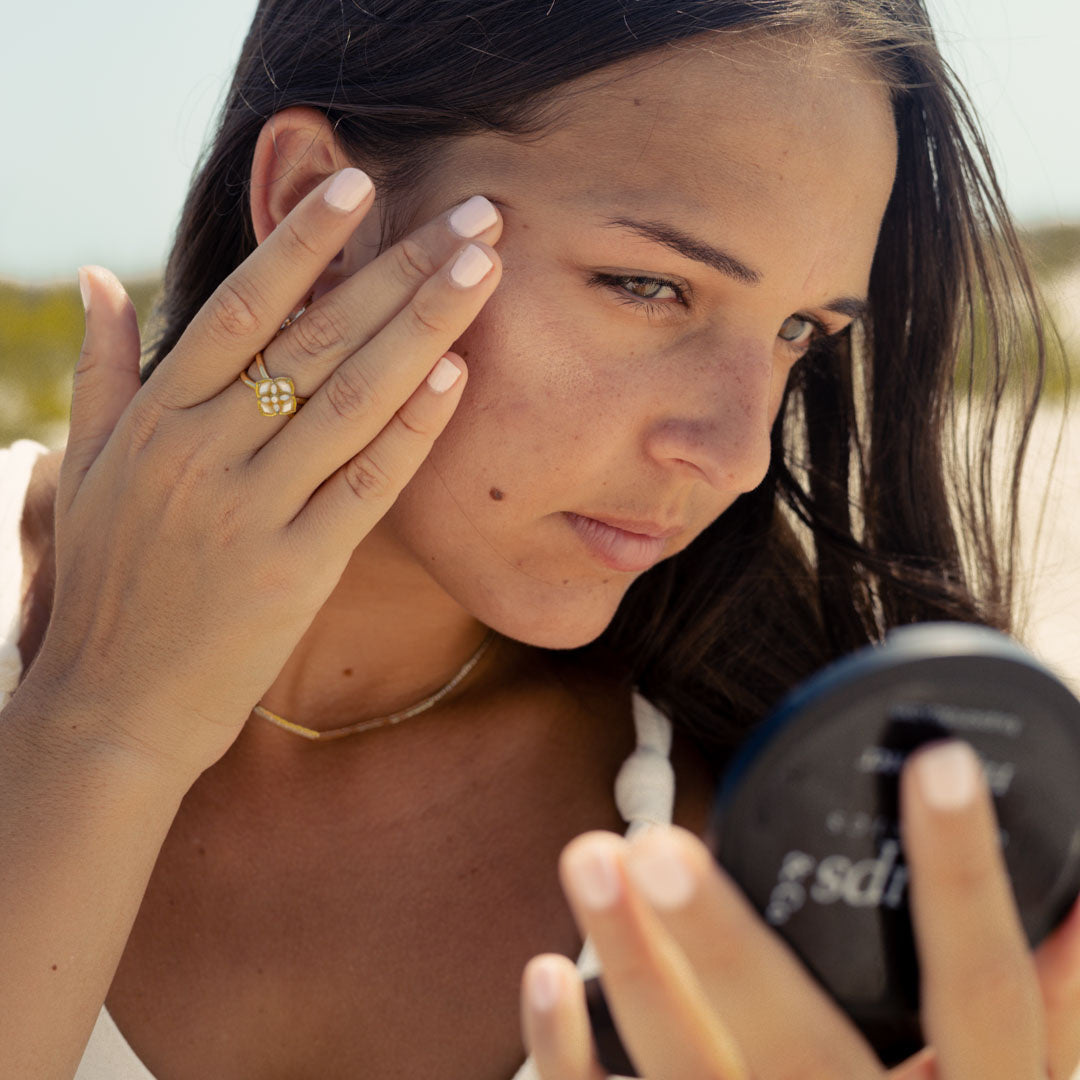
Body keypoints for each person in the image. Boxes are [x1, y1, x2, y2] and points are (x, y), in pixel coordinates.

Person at [1, 1, 1075, 1078]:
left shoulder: (779, 862)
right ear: (314, 207)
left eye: (800, 331)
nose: (738, 452)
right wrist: (99, 728)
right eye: (648, 286)